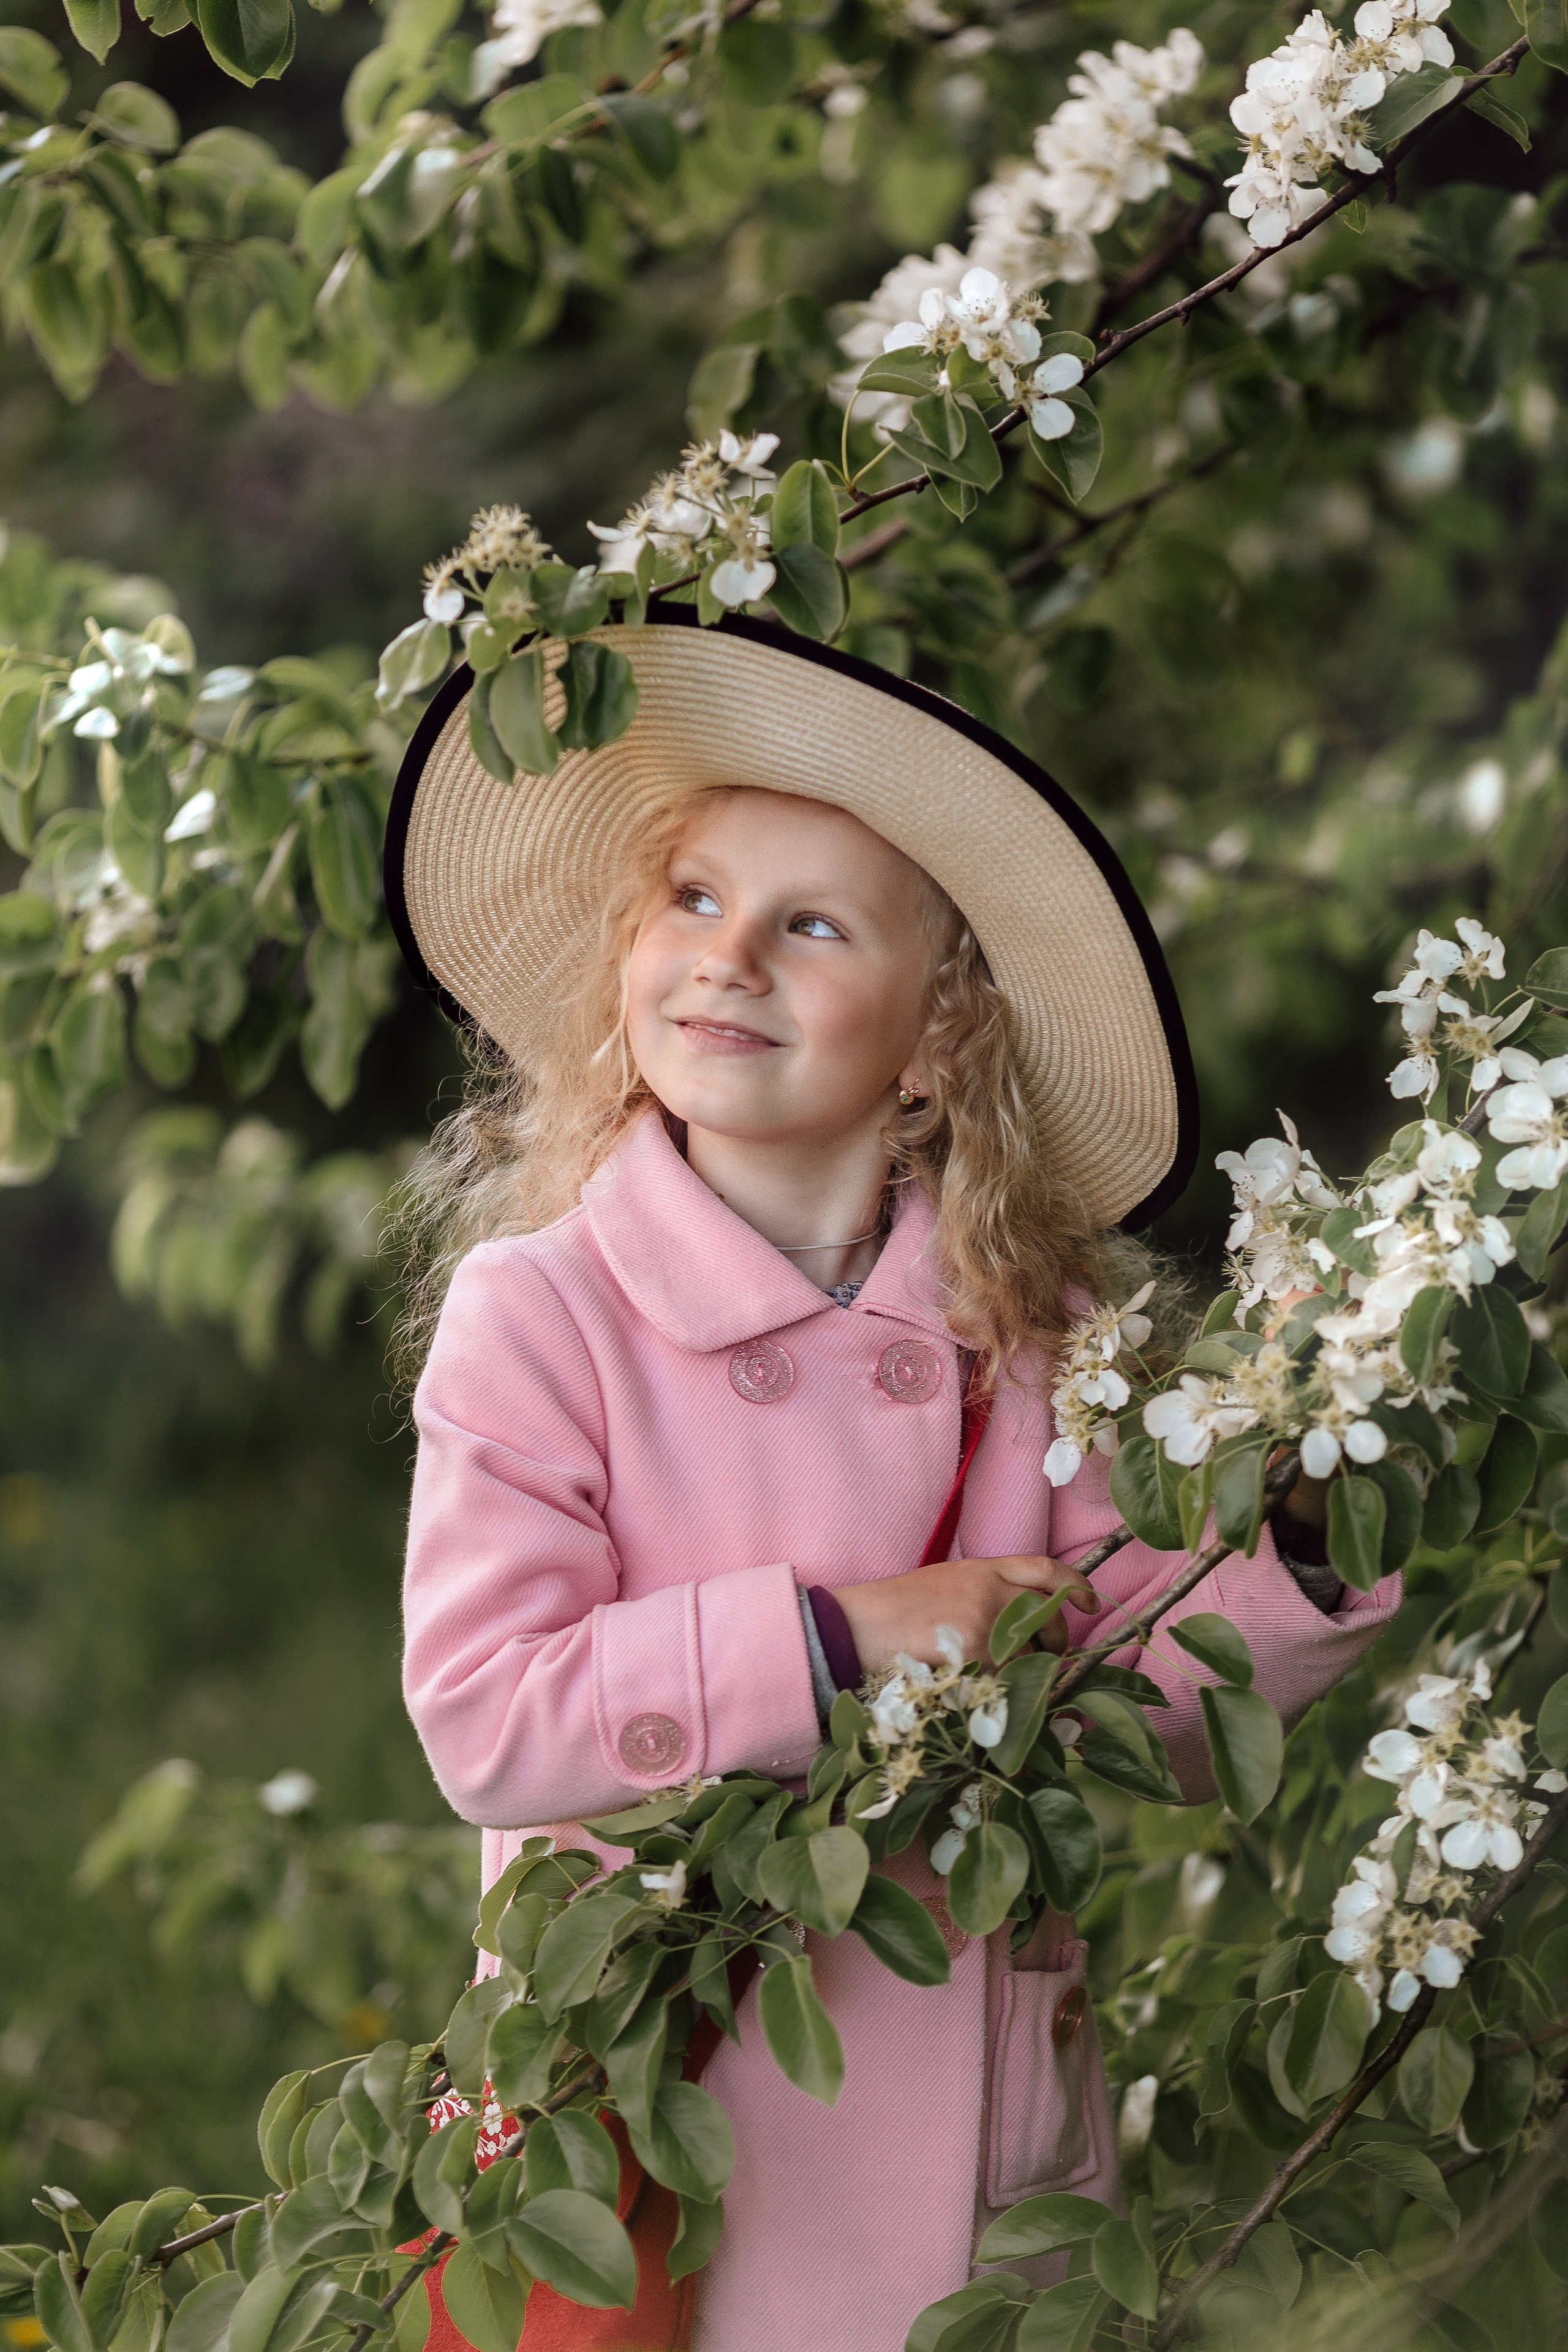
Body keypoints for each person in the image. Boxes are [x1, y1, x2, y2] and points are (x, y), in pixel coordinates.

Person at [388, 611, 1398, 2352]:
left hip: (981, 2150)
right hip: (686, 2137)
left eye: (813, 926)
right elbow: (490, 1716)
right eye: (692, 901)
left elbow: (1133, 1696)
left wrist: (1296, 1540)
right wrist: (842, 1638)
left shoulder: (1029, 1331)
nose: (731, 959)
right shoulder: (543, 1316)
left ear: (938, 1036)